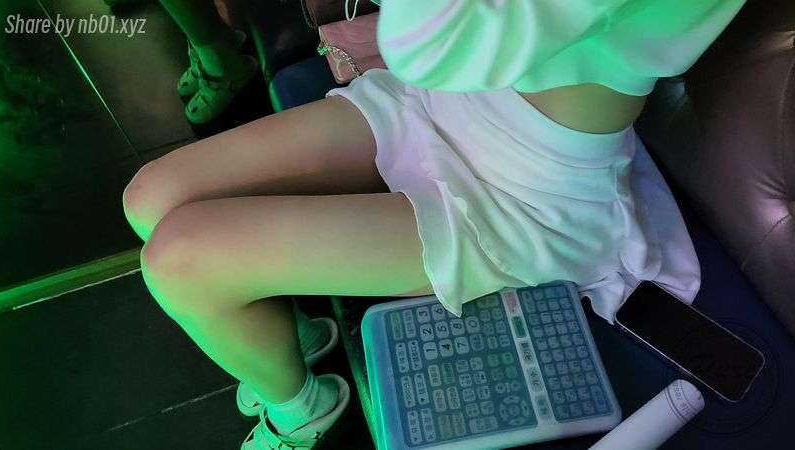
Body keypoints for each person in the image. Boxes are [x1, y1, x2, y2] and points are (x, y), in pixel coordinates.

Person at [122, 1, 746, 448]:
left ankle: (300, 410)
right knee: (150, 199)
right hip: (444, 101)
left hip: (525, 191)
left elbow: (430, 44)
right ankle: (289, 338)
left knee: (179, 262)